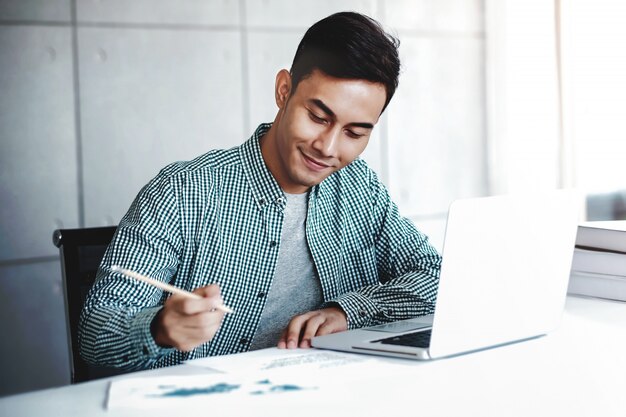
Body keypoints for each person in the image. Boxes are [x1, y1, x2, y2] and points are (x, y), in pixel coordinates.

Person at [79, 11, 442, 370]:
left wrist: (346, 312)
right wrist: (159, 328)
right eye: (318, 117)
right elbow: (95, 335)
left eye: (355, 133)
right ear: (284, 91)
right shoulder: (181, 193)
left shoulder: (357, 186)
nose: (328, 148)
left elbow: (436, 276)